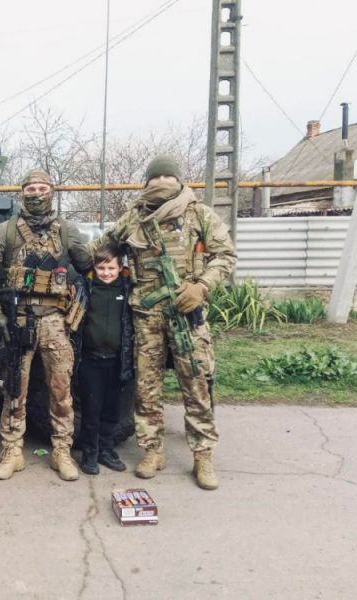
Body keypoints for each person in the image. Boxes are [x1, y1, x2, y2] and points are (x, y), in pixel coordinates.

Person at [90, 155, 237, 490]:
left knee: (196, 383)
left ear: (179, 181)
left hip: (187, 315)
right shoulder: (134, 217)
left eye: (168, 177)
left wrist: (202, 286)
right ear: (147, 182)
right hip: (146, 316)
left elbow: (225, 255)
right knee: (146, 387)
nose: (161, 183)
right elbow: (102, 248)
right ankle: (152, 450)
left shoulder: (198, 213)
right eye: (155, 178)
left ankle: (203, 455)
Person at [0, 168, 93, 481]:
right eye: (30, 189)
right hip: (19, 319)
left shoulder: (66, 231)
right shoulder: (6, 232)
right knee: (15, 388)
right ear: (22, 193)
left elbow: (88, 266)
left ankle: (61, 451)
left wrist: (84, 276)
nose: (36, 194)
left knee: (61, 389)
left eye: (42, 188)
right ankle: (12, 451)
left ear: (51, 191)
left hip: (55, 321)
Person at [72, 246, 134, 475]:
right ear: (94, 268)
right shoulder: (86, 287)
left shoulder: (127, 289)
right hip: (91, 360)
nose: (106, 273)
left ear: (120, 268)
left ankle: (106, 450)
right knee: (91, 409)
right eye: (101, 268)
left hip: (117, 361)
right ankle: (89, 453)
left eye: (111, 268)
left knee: (111, 410)